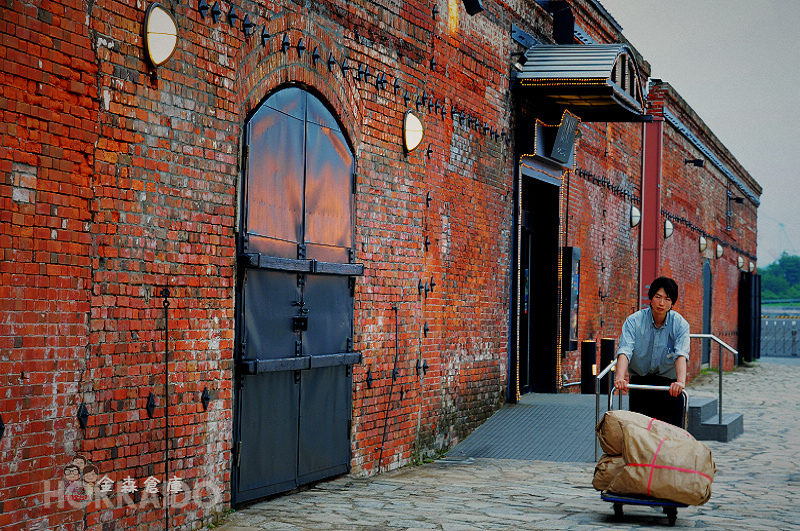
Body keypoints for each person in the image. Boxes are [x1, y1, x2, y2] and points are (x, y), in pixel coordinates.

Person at [613, 277, 690, 427]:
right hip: (641, 384)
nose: (661, 303)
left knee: (671, 437)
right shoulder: (634, 321)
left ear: (672, 302)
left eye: (667, 299)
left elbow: (681, 354)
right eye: (658, 297)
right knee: (640, 436)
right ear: (651, 298)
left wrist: (680, 382)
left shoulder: (680, 324)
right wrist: (619, 378)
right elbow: (625, 350)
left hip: (669, 387)